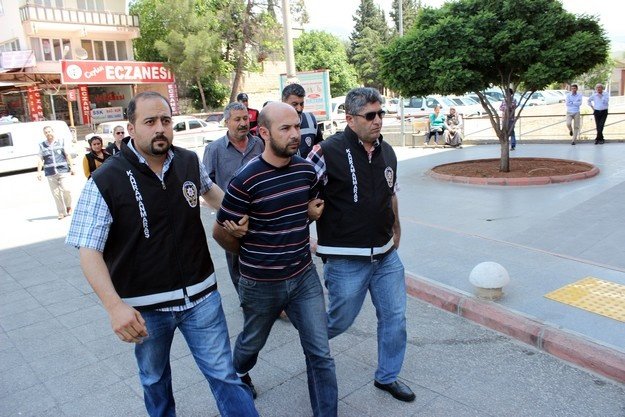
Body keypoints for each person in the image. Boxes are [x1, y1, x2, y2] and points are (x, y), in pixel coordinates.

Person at [65, 92, 258, 417]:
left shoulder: (187, 161)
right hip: (145, 309)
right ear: (131, 128)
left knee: (225, 375)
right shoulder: (106, 179)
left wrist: (236, 215)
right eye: (150, 121)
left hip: (201, 297)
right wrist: (114, 307)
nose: (160, 128)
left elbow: (212, 194)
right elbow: (88, 250)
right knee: (155, 381)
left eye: (166, 121)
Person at [213, 102, 338, 416]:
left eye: (296, 126)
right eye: (285, 128)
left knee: (320, 353)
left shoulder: (306, 171)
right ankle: (238, 372)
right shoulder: (245, 180)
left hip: (303, 277)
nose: (295, 134)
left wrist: (309, 215)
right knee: (251, 344)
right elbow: (219, 233)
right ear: (264, 133)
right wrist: (248, 247)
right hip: (260, 283)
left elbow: (302, 210)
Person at [306, 87, 416, 403]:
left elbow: (391, 193)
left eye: (381, 113)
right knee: (338, 321)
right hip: (345, 259)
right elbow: (299, 195)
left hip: (385, 256)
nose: (378, 120)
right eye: (370, 115)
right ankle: (313, 350)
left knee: (395, 318)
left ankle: (387, 376)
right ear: (350, 118)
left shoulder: (388, 152)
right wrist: (305, 222)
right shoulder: (325, 152)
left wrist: (397, 227)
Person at [202, 101, 264, 293]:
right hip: (231, 220)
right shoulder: (214, 150)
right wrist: (224, 212)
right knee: (236, 263)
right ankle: (245, 298)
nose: (243, 123)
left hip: (260, 214)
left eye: (245, 118)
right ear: (227, 122)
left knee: (263, 259)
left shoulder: (259, 144)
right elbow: (206, 185)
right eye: (237, 119)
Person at [37, 125, 75, 220]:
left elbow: (67, 155)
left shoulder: (61, 142)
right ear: (44, 134)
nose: (48, 133)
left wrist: (72, 167)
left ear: (53, 131)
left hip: (63, 170)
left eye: (49, 131)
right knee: (56, 194)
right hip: (50, 172)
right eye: (46, 132)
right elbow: (40, 159)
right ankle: (61, 212)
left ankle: (68, 206)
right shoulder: (42, 145)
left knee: (66, 190)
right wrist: (39, 172)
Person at [281, 83, 324, 157]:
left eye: (301, 104)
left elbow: (319, 146)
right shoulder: (274, 123)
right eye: (294, 104)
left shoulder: (310, 119)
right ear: (283, 103)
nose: (299, 109)